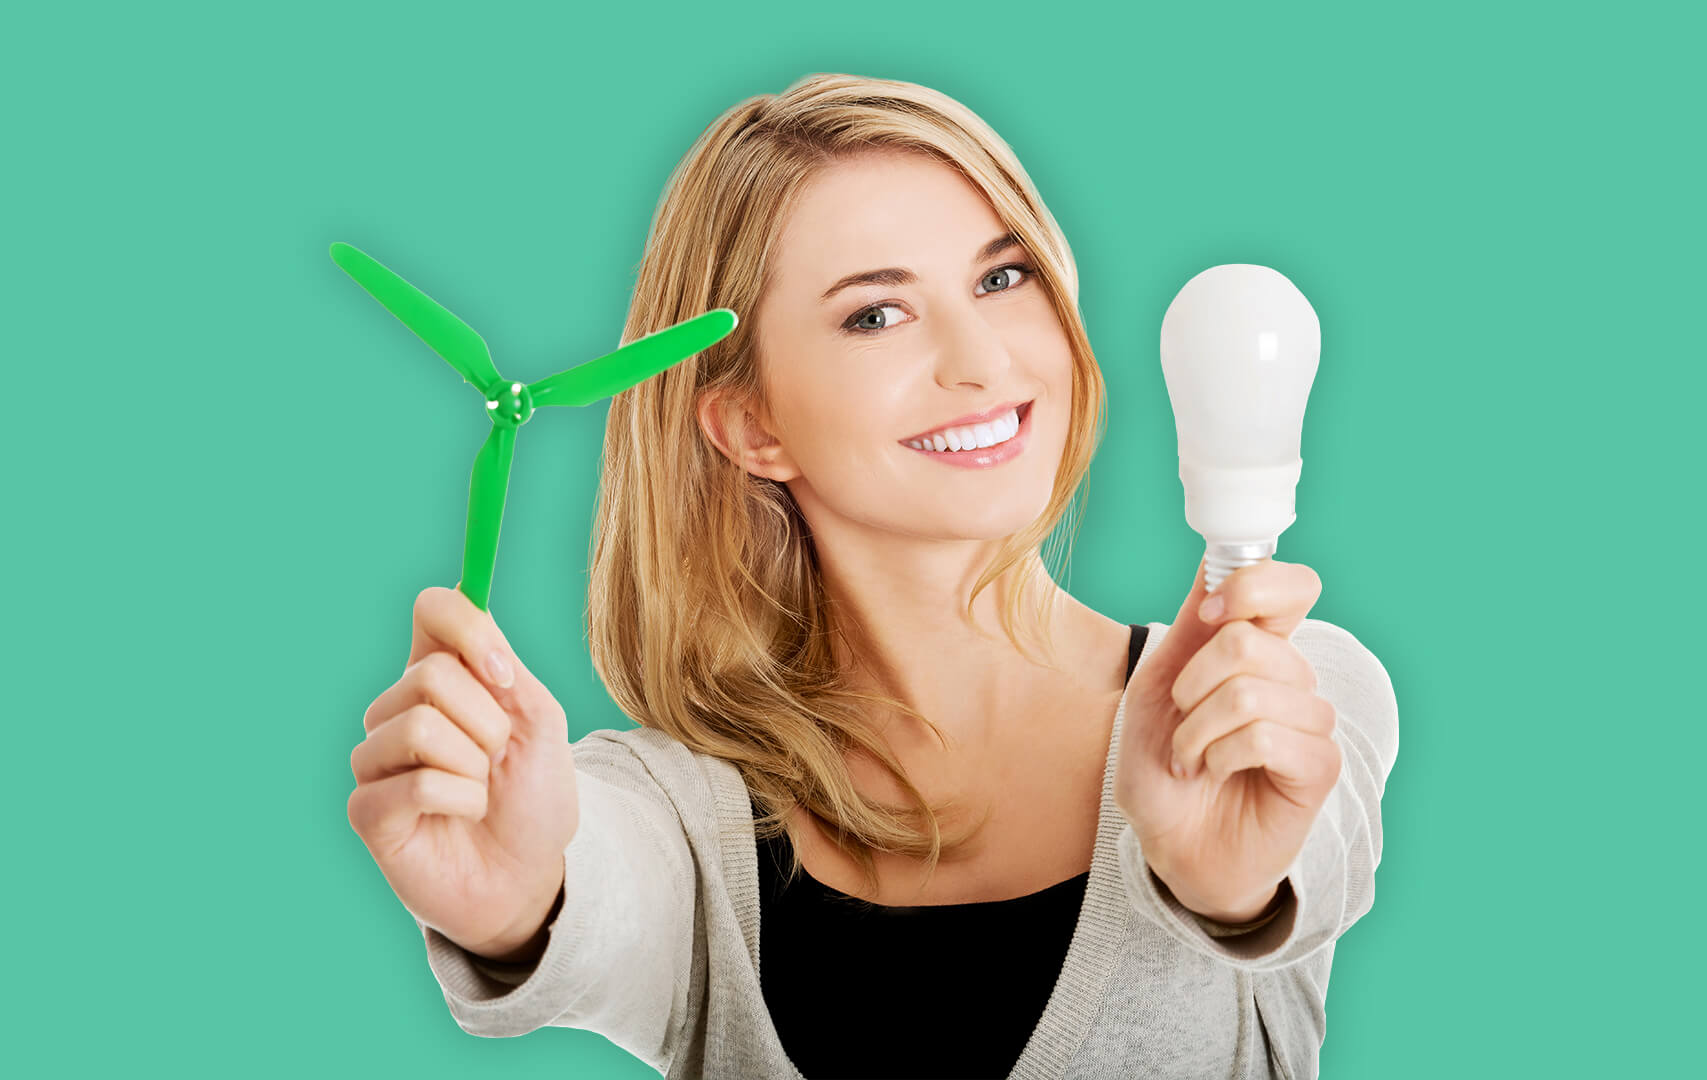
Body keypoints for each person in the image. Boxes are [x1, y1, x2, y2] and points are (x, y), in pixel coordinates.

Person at [348, 72, 1399, 1080]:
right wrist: (515, 901)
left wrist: (1229, 890)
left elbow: (1312, 855)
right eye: (877, 315)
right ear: (750, 423)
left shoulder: (1276, 694)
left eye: (1003, 276)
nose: (981, 358)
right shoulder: (682, 816)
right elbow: (593, 883)